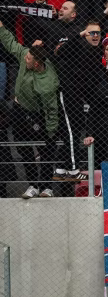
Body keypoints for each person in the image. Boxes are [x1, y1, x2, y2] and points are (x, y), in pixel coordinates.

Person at [0, 20, 60, 199]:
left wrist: (51, 131)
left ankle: (47, 187)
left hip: (39, 114)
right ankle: (33, 185)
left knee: (47, 150)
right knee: (24, 148)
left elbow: (51, 109)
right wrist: (1, 28)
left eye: (28, 59)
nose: (25, 58)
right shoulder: (26, 54)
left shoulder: (47, 83)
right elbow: (11, 44)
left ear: (36, 64)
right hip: (19, 109)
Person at [53, 21, 106, 182]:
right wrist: (78, 35)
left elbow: (91, 80)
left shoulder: (96, 52)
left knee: (74, 131)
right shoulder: (77, 45)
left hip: (78, 96)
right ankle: (73, 170)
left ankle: (61, 169)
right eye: (92, 33)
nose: (95, 36)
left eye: (98, 33)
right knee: (70, 131)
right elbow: (60, 52)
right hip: (66, 92)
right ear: (85, 34)